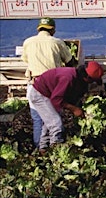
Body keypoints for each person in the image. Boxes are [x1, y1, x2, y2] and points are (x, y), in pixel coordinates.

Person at [22, 17, 76, 150]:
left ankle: (39, 149)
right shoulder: (57, 42)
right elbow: (70, 62)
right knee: (53, 120)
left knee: (37, 119)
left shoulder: (28, 42)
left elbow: (25, 60)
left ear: (39, 28)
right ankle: (52, 150)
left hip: (33, 83)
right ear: (52, 30)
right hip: (51, 86)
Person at [26, 61, 103, 153]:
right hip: (40, 94)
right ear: (86, 78)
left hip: (49, 94)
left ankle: (43, 149)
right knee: (56, 124)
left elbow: (72, 97)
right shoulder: (68, 78)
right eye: (92, 81)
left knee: (50, 123)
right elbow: (56, 99)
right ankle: (56, 152)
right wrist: (74, 109)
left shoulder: (78, 79)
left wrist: (79, 108)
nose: (92, 84)